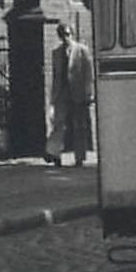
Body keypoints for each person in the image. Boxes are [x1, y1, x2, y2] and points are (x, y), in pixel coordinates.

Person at [45, 22, 94, 168]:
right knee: (59, 124)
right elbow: (55, 76)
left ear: (72, 34)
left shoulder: (82, 50)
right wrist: (53, 98)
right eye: (63, 35)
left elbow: (88, 74)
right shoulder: (56, 53)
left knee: (79, 125)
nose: (66, 38)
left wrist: (88, 92)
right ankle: (55, 155)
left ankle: (79, 157)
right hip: (62, 94)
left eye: (68, 34)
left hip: (78, 94)